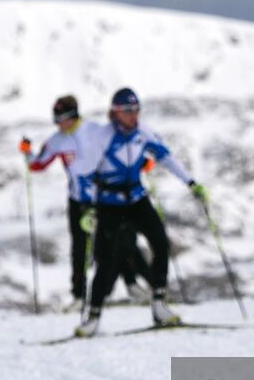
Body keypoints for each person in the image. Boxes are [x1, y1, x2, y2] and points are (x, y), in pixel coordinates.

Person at [75, 87, 209, 337]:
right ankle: (93, 317)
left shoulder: (143, 133)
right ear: (115, 112)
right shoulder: (102, 138)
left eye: (136, 109)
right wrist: (86, 208)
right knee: (105, 261)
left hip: (137, 199)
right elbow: (82, 174)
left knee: (160, 242)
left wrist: (190, 182)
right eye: (127, 110)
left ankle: (159, 304)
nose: (133, 115)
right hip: (110, 204)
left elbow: (166, 157)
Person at [24, 94, 152, 311]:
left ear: (73, 116)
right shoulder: (57, 141)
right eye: (55, 120)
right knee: (80, 248)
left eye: (61, 119)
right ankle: (79, 296)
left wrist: (142, 163)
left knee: (118, 240)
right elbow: (37, 165)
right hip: (77, 201)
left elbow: (119, 150)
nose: (58, 125)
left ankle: (134, 284)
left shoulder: (95, 131)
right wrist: (27, 153)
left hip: (103, 198)